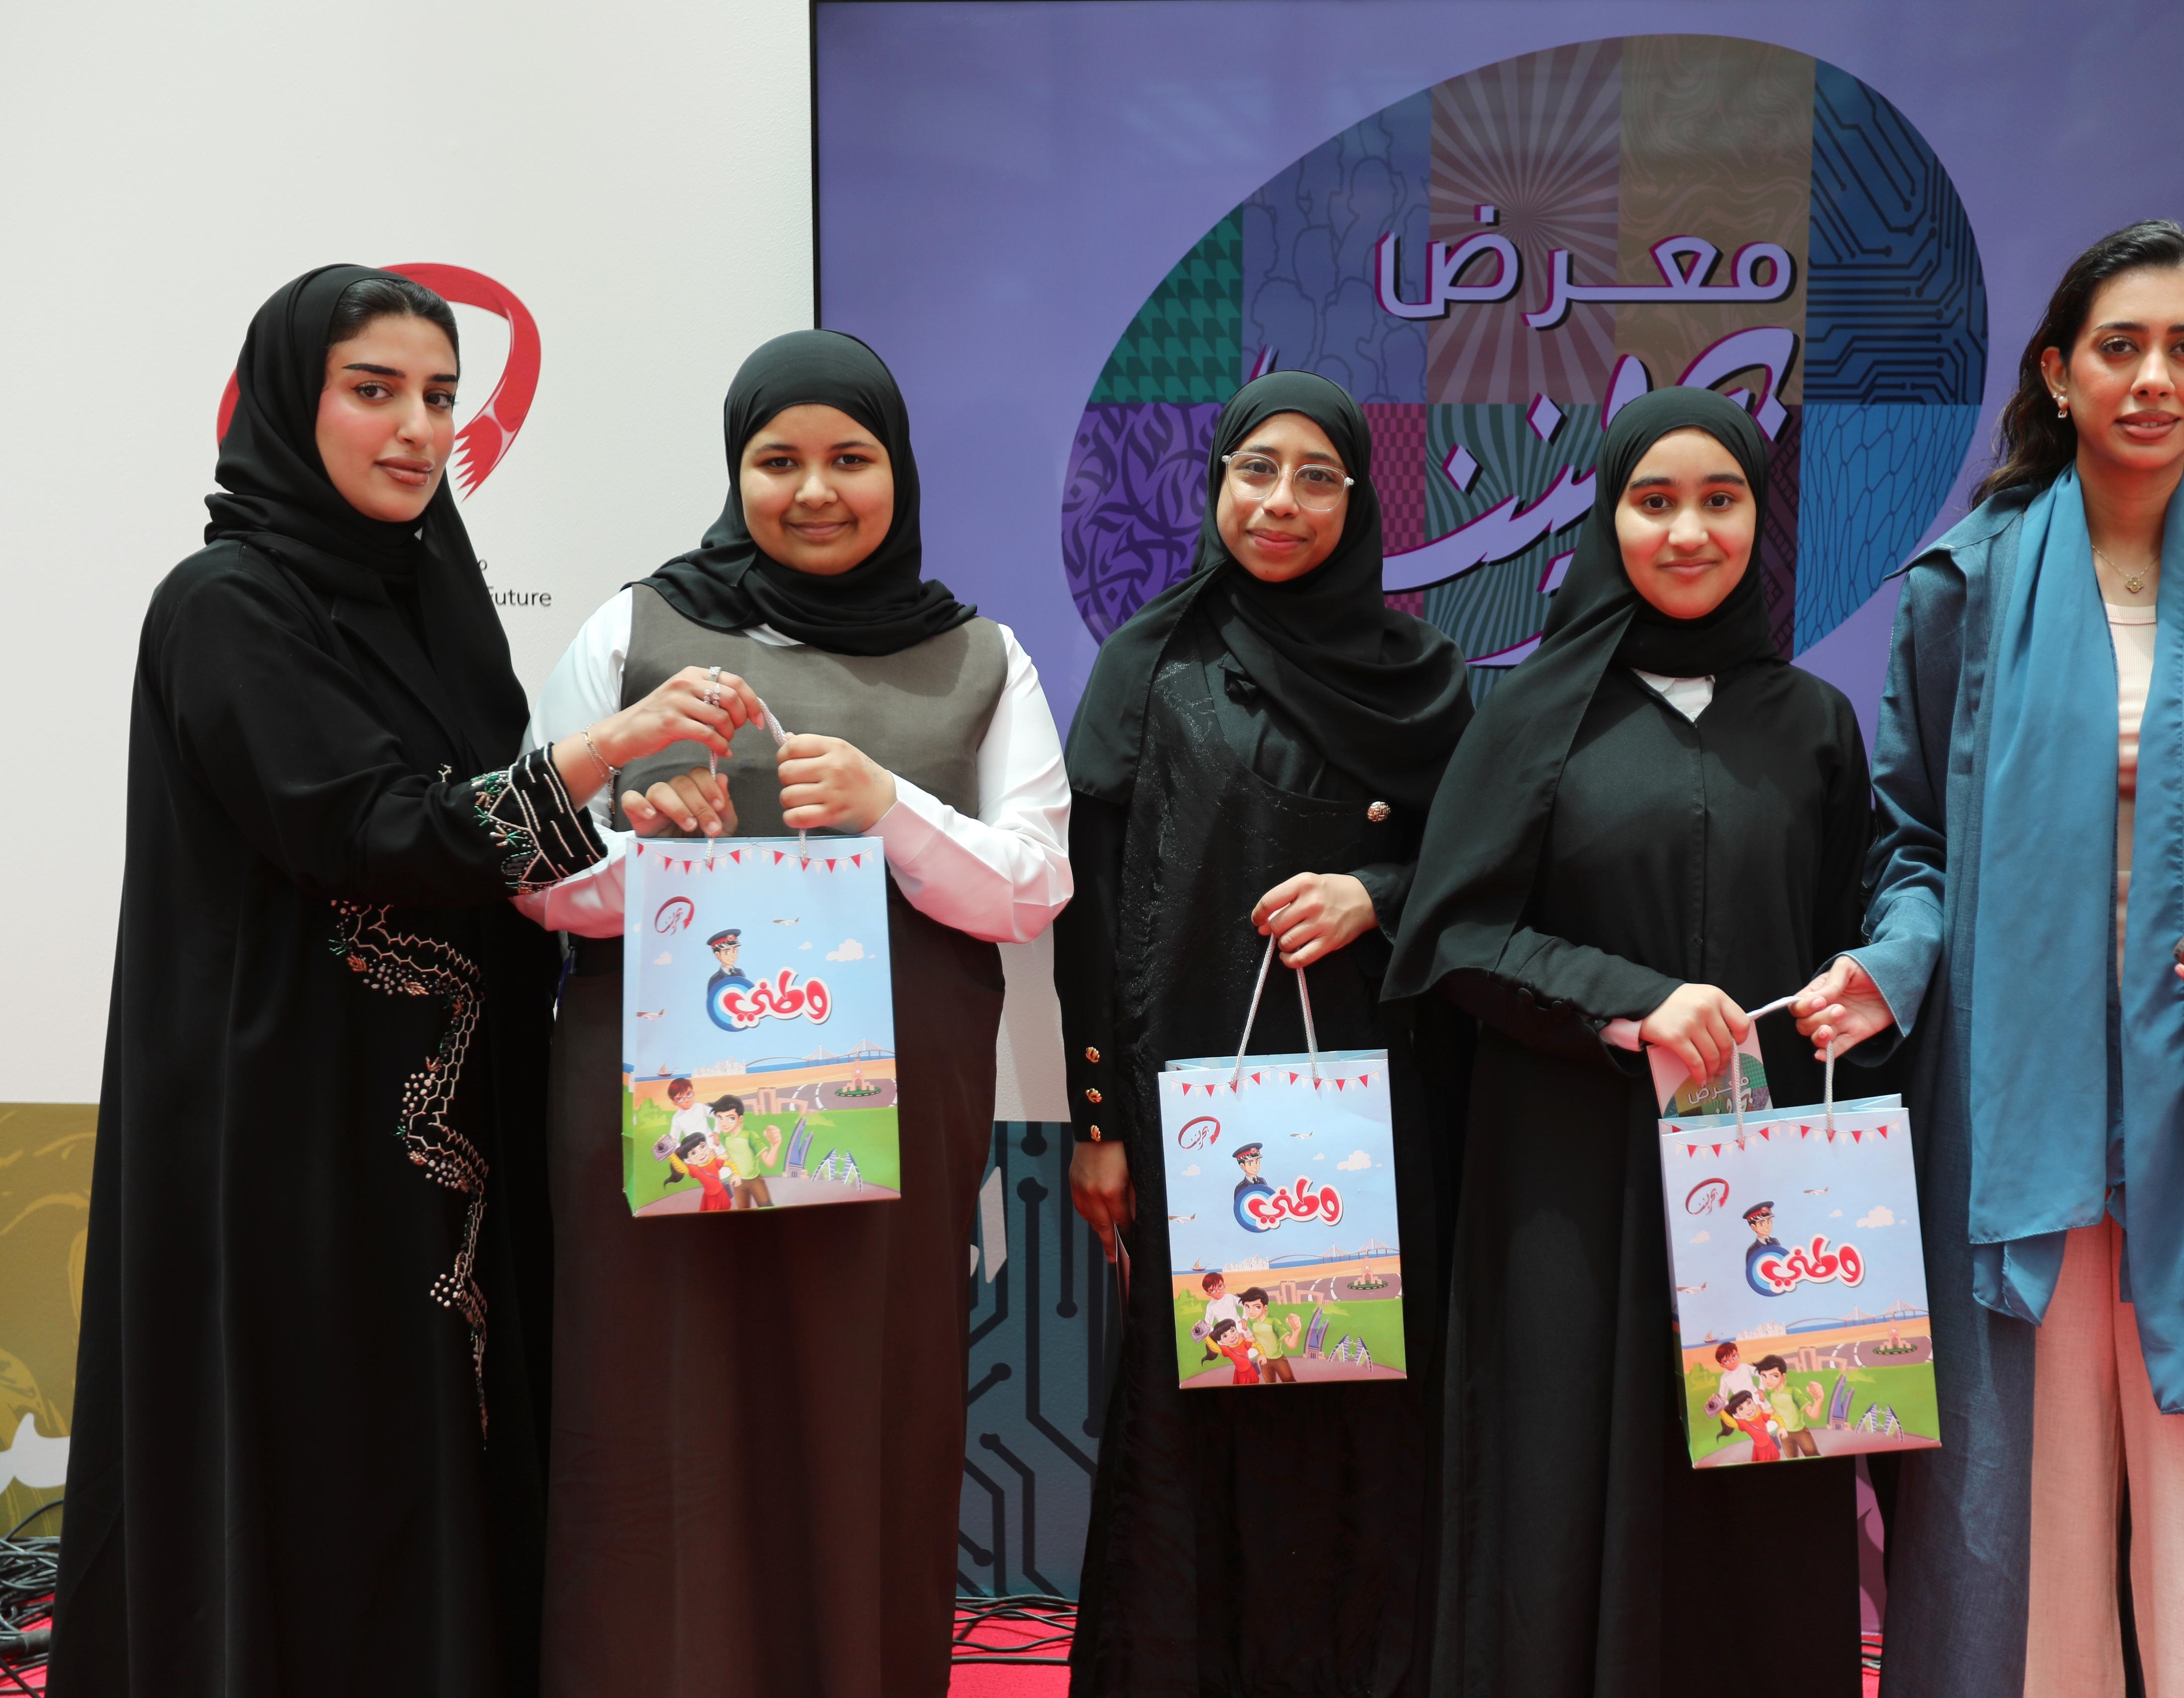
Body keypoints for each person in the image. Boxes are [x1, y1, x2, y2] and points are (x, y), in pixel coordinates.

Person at [51, 266, 754, 1696]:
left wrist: (626, 814)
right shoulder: (225, 605)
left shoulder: (436, 600)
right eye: (374, 391)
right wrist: (603, 753)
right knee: (315, 1458)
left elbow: (484, 831)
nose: (420, 429)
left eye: (440, 395)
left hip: (448, 1134)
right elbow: (367, 828)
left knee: (437, 1446)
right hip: (289, 1132)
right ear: (286, 405)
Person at [1790, 221, 2184, 1698]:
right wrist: (1894, 963)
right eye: (2120, 347)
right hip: (2013, 1102)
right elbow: (1911, 843)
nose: (2154, 379)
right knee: (2027, 1494)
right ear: (2056, 372)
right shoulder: (1963, 583)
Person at [512, 328, 1072, 1698]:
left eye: (850, 459)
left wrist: (894, 808)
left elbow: (1033, 888)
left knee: (863, 1424)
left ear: (900, 472)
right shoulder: (637, 632)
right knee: (662, 1426)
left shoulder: (981, 656)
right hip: (660, 1121)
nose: (816, 491)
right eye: (779, 461)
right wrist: (650, 851)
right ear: (736, 471)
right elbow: (532, 877)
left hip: (886, 1130)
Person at [1384, 386, 1872, 1694]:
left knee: (1758, 1485)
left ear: (1760, 521)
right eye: (1655, 502)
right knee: (1562, 1477)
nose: (1689, 532)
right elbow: (1453, 936)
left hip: (1763, 1178)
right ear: (1607, 520)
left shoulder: (1815, 723)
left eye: (1722, 500)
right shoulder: (1533, 714)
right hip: (1569, 1172)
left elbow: (1848, 928)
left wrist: (1855, 993)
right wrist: (1628, 1000)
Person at [1057, 371, 1474, 1695]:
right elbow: (1093, 912)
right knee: (1196, 1419)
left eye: (1316, 478)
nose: (1281, 503)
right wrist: (1100, 1124)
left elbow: (1482, 874)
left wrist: (1376, 896)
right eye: (1256, 470)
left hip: (1369, 1128)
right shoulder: (1150, 665)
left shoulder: (1425, 682)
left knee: (1355, 1418)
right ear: (1217, 485)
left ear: (1359, 503)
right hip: (1191, 1123)